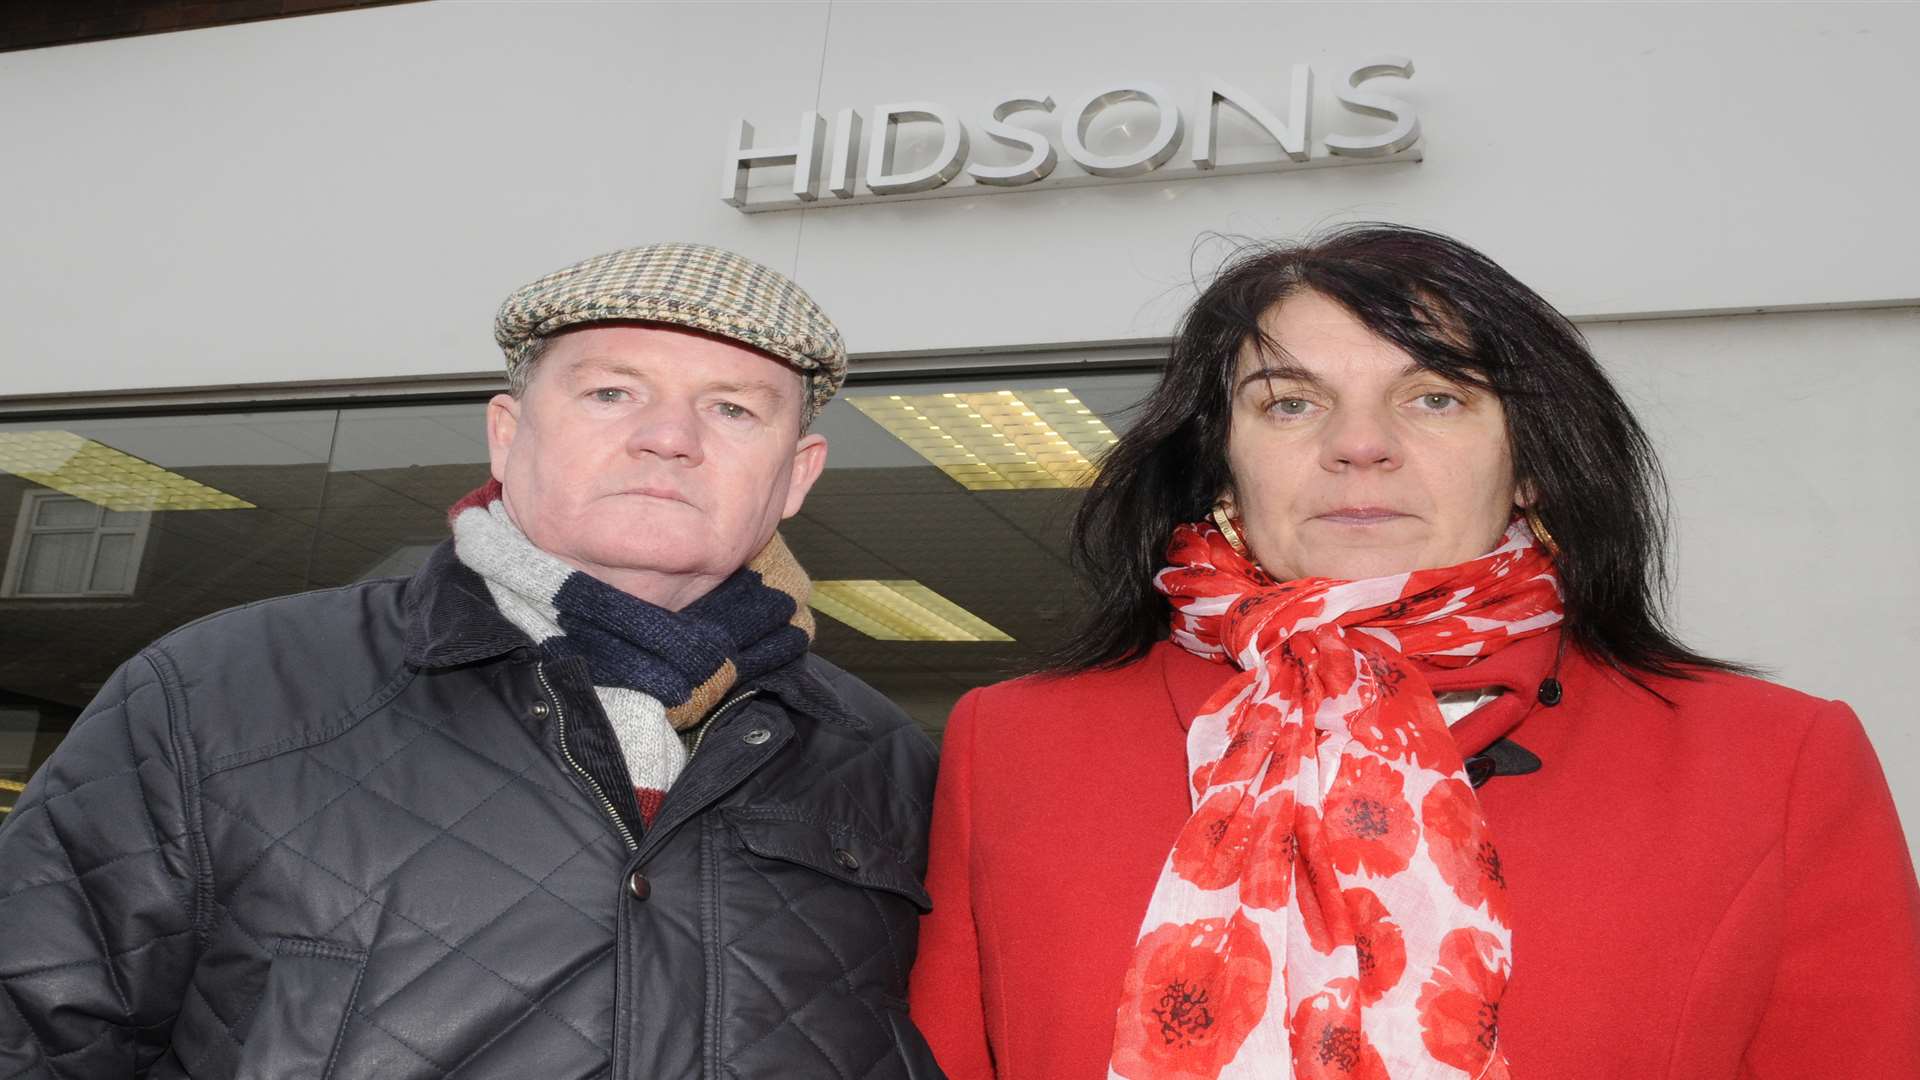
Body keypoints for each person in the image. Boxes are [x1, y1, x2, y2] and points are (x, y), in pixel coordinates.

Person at [908, 224, 1920, 1079]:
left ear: (1530, 467)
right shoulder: (1013, 749)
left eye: (1435, 396)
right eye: (1290, 401)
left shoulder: (1773, 762)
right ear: (1222, 458)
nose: (1360, 444)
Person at [0, 243, 942, 1078]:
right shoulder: (221, 690)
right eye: (612, 391)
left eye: (734, 409)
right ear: (506, 429)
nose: (670, 437)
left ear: (798, 474)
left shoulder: (880, 757)